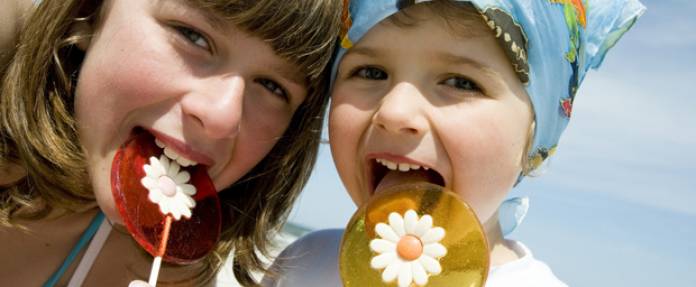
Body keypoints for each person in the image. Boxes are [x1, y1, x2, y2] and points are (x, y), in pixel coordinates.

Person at [262, 0, 645, 286]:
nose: (394, 112)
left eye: (462, 82)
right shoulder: (302, 264)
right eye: (371, 71)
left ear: (536, 138)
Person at [0, 0, 341, 286]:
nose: (221, 116)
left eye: (271, 86)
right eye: (193, 35)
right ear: (90, 12)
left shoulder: (175, 274)